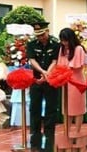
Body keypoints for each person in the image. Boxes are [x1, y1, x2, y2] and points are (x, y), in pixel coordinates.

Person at [26, 21, 60, 152]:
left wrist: (47, 74)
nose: (41, 37)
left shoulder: (55, 44)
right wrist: (42, 72)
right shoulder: (32, 44)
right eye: (38, 35)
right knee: (35, 106)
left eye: (42, 34)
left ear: (47, 31)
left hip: (51, 80)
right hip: (36, 80)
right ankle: (35, 131)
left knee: (51, 107)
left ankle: (49, 131)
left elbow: (54, 61)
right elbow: (32, 60)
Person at [57, 28, 87, 135]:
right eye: (62, 40)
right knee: (67, 108)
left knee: (78, 108)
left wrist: (68, 69)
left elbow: (79, 67)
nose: (64, 43)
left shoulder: (79, 49)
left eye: (66, 40)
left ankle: (77, 131)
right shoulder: (62, 49)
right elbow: (59, 65)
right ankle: (66, 131)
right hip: (66, 82)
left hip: (77, 81)